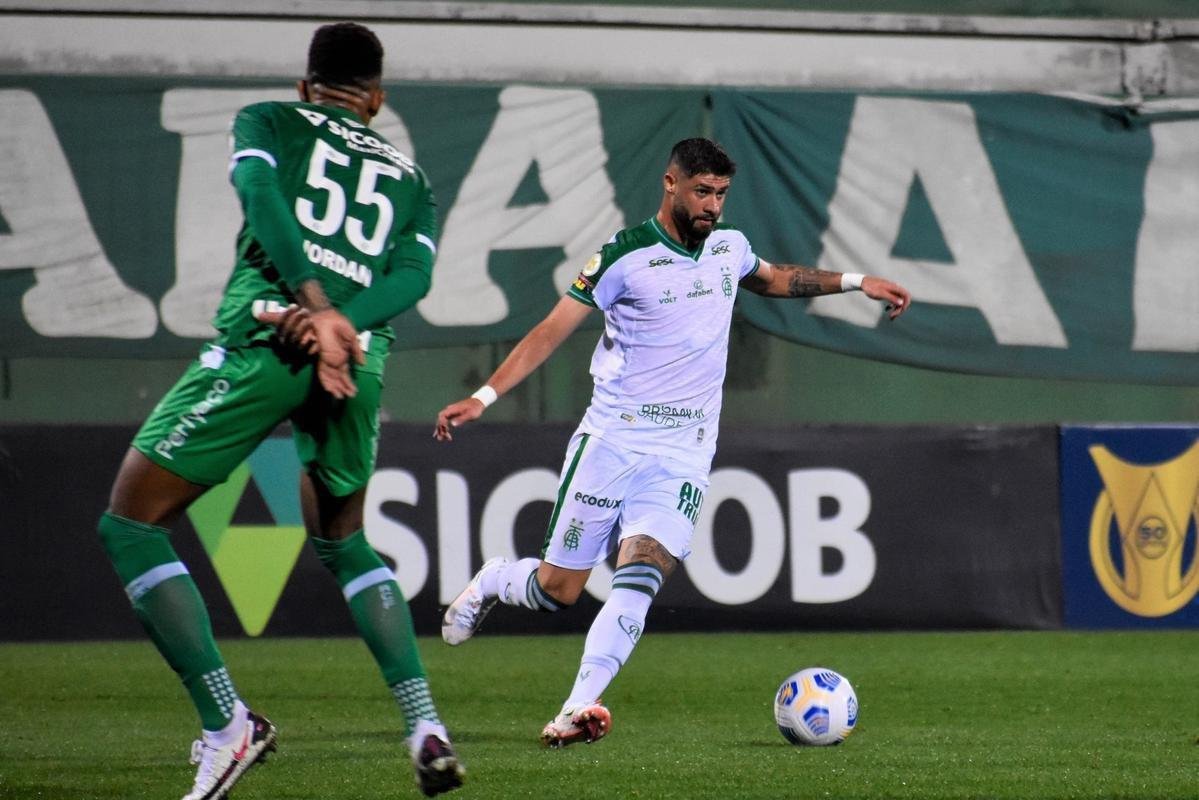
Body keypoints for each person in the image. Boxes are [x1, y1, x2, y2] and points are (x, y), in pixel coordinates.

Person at [434, 137, 911, 748]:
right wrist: (483, 397)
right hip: (610, 444)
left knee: (642, 577)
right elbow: (550, 331)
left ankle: (576, 709)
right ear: (671, 184)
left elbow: (775, 279)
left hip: (683, 453)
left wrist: (855, 280)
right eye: (702, 191)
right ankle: (498, 580)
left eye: (721, 194)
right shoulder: (623, 256)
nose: (712, 205)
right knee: (559, 591)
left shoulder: (728, 248)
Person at [97, 22, 464, 799]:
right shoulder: (412, 179)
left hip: (272, 339)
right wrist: (348, 325)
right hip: (356, 365)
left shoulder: (266, 120)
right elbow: (415, 279)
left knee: (130, 522)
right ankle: (424, 723)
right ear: (377, 99)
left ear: (307, 86)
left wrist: (315, 307)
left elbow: (260, 194)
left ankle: (229, 725)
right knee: (345, 544)